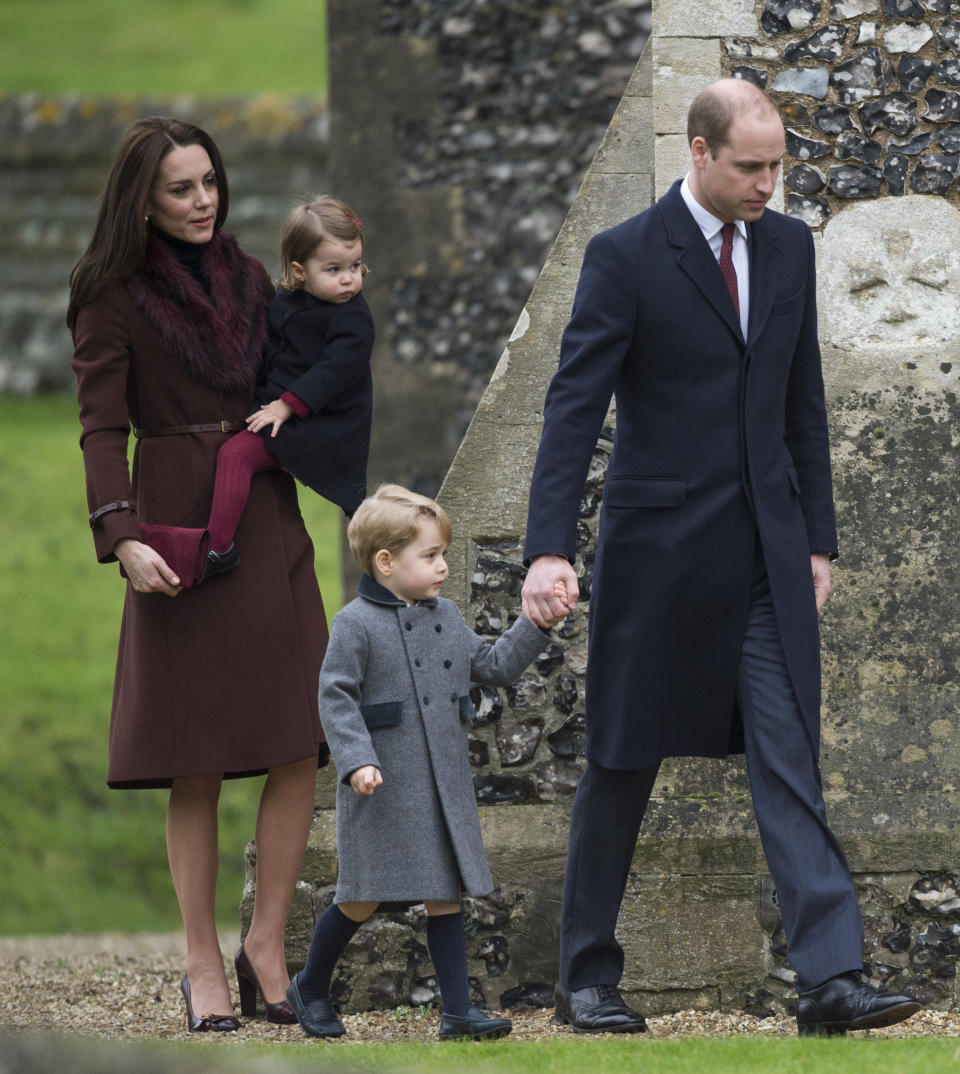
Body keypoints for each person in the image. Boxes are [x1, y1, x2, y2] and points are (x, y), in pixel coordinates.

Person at [520, 79, 920, 1037]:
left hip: (766, 559)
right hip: (655, 555)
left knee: (790, 758)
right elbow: (573, 409)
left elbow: (802, 402)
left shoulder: (789, 246)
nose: (768, 185)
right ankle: (585, 979)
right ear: (697, 153)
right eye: (750, 166)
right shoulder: (623, 257)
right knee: (621, 757)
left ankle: (828, 979)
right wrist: (546, 549)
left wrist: (816, 537)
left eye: (777, 164)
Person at [68, 117, 331, 1032]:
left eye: (209, 182)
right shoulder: (109, 295)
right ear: (142, 199)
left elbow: (308, 369)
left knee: (301, 735)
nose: (202, 200)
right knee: (198, 759)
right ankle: (198, 964)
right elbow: (102, 426)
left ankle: (264, 946)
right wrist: (121, 532)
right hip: (177, 523)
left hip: (265, 511)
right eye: (181, 189)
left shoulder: (252, 277)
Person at [285, 485, 559, 1041]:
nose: (442, 566)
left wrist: (538, 622)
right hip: (380, 785)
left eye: (443, 554)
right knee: (361, 896)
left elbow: (495, 664)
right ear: (386, 562)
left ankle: (458, 1012)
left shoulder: (448, 616)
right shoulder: (354, 624)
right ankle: (310, 986)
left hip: (441, 786)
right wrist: (357, 760)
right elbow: (334, 697)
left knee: (444, 893)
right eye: (430, 556)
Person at [150, 195, 375, 584]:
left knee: (237, 457)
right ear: (300, 271)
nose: (348, 278)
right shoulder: (287, 301)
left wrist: (286, 406)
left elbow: (333, 372)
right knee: (228, 451)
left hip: (322, 424)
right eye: (334, 268)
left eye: (355, 266)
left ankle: (218, 548)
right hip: (281, 409)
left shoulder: (354, 320)